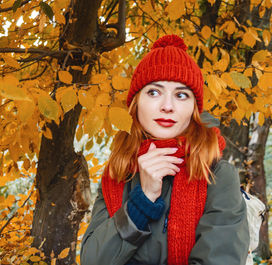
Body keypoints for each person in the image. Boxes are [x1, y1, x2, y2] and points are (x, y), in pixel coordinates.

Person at [80, 35, 249, 265]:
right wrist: (143, 200)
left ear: (193, 109)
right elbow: (93, 260)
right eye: (154, 92)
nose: (167, 106)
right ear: (136, 103)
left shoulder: (216, 174)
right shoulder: (118, 173)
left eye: (181, 95)